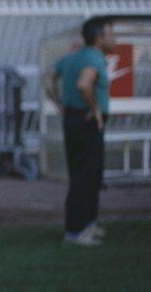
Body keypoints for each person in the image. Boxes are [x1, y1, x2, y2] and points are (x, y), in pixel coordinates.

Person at [46, 18, 115, 246]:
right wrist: (95, 109)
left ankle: (89, 224)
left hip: (73, 119)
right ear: (99, 38)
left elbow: (48, 77)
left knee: (87, 174)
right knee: (86, 177)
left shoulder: (74, 56)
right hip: (87, 121)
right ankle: (76, 231)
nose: (114, 39)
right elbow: (84, 84)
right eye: (111, 34)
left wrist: (58, 103)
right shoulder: (93, 57)